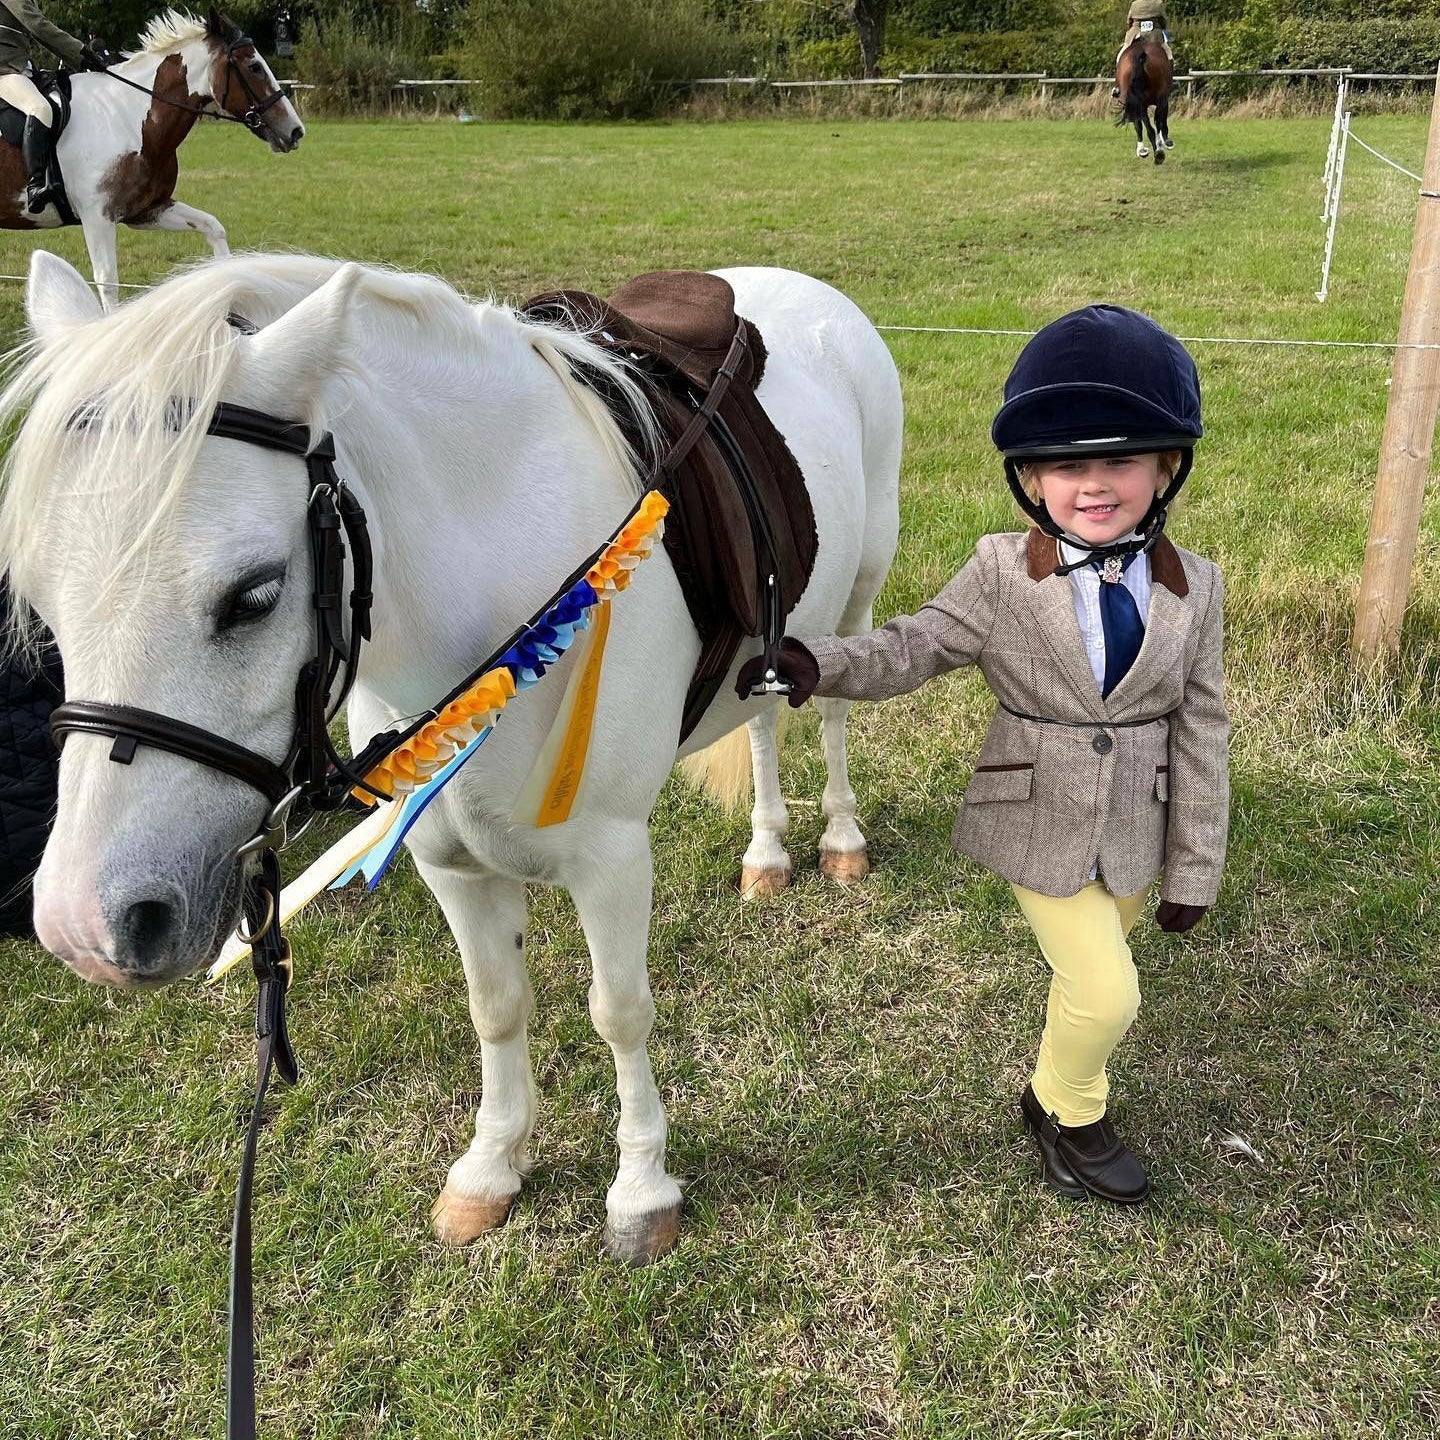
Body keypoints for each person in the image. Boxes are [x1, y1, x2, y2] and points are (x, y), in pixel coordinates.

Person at [737, 305, 1229, 1205]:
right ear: (1030, 479)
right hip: (1036, 820)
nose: (1094, 485)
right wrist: (816, 663)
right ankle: (1076, 1116)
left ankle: (1043, 1092)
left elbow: (1203, 731)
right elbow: (913, 646)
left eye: (1120, 459)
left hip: (1134, 833)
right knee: (1110, 995)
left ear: (1167, 466)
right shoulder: (1003, 572)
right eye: (1067, 466)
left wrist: (1194, 866)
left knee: (1089, 979)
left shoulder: (1198, 587)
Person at [0, 0, 107, 214]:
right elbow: (37, 25)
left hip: (18, 66)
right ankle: (35, 187)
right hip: (3, 69)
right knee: (39, 108)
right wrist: (81, 53)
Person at [1112, 0, 1173, 99]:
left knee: (1120, 56)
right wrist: (1164, 28)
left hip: (1135, 34)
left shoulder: (1134, 4)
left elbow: (1129, 21)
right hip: (1154, 35)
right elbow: (1163, 21)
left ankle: (1118, 86)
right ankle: (1170, 82)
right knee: (1169, 53)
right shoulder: (1158, 3)